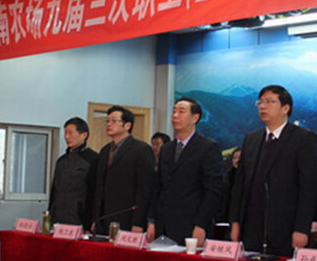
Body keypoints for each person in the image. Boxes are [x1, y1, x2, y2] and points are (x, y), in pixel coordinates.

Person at [229, 84, 317, 257]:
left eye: (270, 102)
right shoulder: (251, 139)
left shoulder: (303, 139)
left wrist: (302, 228)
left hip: (285, 228)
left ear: (286, 108)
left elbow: (309, 188)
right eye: (260, 102)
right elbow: (240, 185)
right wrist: (235, 221)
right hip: (250, 227)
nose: (263, 106)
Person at [149, 97, 222, 246]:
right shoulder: (166, 149)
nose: (175, 116)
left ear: (195, 118)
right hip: (163, 224)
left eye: (181, 112)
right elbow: (158, 187)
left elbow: (213, 190)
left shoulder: (208, 147)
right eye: (174, 111)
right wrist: (151, 220)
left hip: (191, 224)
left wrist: (201, 224)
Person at [92, 106, 154, 235]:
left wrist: (138, 222)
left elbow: (144, 189)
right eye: (107, 121)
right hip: (104, 218)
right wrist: (95, 219)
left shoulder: (141, 149)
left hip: (127, 217)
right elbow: (99, 187)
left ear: (127, 125)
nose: (109, 124)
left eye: (114, 121)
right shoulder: (104, 150)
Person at [49, 117, 99, 230]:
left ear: (84, 135)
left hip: (80, 219)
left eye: (71, 133)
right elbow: (54, 192)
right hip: (58, 219)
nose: (67, 137)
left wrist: (92, 221)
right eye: (65, 133)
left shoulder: (94, 159)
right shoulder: (61, 161)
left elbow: (95, 194)